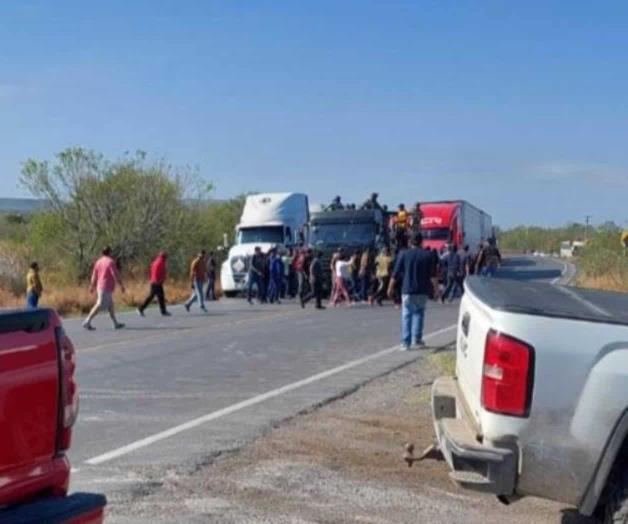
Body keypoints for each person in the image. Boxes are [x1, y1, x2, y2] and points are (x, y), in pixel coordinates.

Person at [388, 232, 439, 350]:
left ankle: (405, 343)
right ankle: (417, 339)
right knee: (419, 314)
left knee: (406, 315)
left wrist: (390, 287)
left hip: (407, 289)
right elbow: (433, 276)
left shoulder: (403, 254)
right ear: (422, 242)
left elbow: (395, 273)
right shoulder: (428, 255)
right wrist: (436, 290)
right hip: (423, 290)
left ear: (410, 242)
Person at [83, 247, 126, 330]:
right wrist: (121, 285)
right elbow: (115, 274)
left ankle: (115, 323)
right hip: (105, 287)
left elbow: (94, 275)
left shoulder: (98, 262)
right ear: (109, 252)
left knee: (111, 305)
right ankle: (87, 321)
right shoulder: (110, 262)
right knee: (99, 304)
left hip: (101, 286)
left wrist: (92, 285)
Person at [137, 251, 171, 316]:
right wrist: (159, 280)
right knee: (151, 296)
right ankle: (140, 308)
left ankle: (163, 311)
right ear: (163, 257)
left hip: (155, 281)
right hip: (156, 282)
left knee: (161, 296)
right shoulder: (160, 262)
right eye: (166, 257)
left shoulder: (156, 262)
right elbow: (158, 272)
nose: (166, 258)